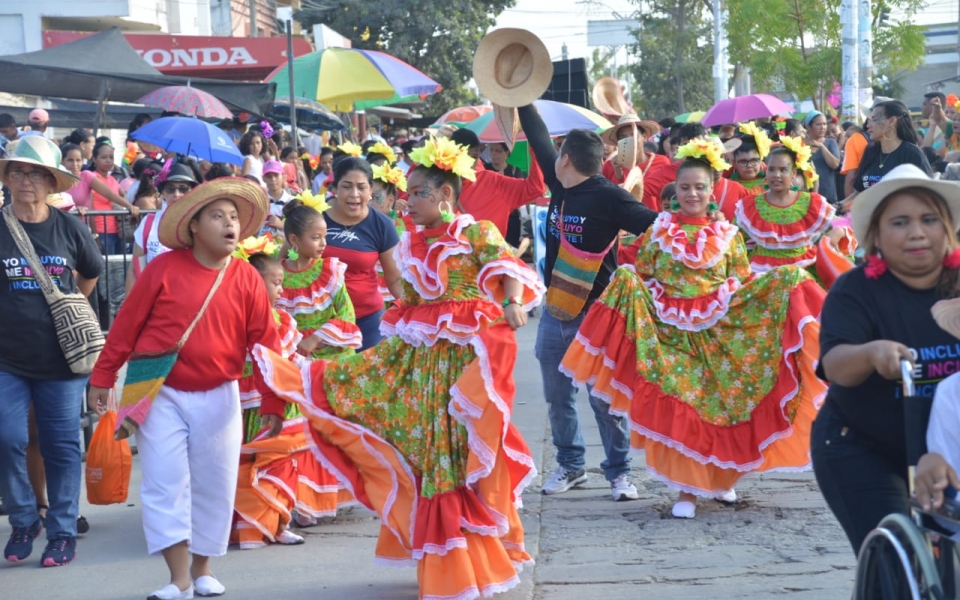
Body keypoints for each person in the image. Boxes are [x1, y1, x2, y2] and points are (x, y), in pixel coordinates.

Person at [253, 135, 545, 600]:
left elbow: (504, 266)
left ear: (445, 194)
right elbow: (406, 298)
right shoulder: (412, 241)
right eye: (407, 192)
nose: (408, 199)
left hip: (465, 364)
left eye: (418, 192)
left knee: (458, 454)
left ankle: (470, 555)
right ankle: (446, 556)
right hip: (422, 364)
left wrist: (511, 301)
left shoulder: (475, 232)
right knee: (428, 452)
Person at [561, 139, 826, 519]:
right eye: (684, 187)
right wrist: (631, 284)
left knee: (723, 407)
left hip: (720, 334)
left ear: (713, 187)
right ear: (675, 191)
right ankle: (686, 491)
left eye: (700, 187)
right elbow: (645, 274)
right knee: (684, 411)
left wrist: (780, 285)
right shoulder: (657, 233)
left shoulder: (729, 237)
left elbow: (742, 281)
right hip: (671, 337)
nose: (692, 194)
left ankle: (720, 481)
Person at [88, 177, 282, 600]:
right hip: (161, 394)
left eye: (234, 217)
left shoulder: (247, 278)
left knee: (216, 483)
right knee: (164, 481)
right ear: (193, 226)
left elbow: (266, 344)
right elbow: (124, 328)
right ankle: (178, 579)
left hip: (222, 395)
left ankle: (204, 569)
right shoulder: (162, 269)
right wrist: (102, 377)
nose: (230, 225)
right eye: (218, 216)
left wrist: (273, 398)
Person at [812, 163, 960, 555]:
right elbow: (836, 365)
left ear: (947, 227)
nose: (916, 232)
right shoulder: (855, 291)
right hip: (862, 446)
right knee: (900, 555)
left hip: (950, 445)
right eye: (900, 223)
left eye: (929, 219)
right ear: (876, 235)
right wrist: (872, 353)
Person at [516, 102, 658, 500]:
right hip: (554, 313)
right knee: (558, 398)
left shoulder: (611, 197)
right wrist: (520, 95)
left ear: (565, 160)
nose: (552, 155)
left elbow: (656, 227)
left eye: (557, 153)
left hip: (597, 317)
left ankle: (619, 474)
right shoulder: (561, 183)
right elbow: (537, 133)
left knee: (604, 400)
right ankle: (571, 465)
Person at [0, 136, 102, 567]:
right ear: (7, 179)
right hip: (7, 359)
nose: (26, 180)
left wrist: (68, 311)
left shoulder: (68, 227)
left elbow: (92, 274)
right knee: (8, 439)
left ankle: (61, 532)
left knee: (61, 446)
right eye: (19, 172)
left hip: (63, 361)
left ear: (51, 182)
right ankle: (25, 518)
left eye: (37, 173)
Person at [735, 139, 854, 286]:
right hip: (765, 279)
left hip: (804, 275)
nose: (776, 175)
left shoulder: (810, 202)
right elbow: (735, 240)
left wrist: (840, 230)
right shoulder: (751, 206)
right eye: (771, 169)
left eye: (783, 170)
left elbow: (844, 222)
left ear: (793, 174)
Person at [322, 156, 403, 350]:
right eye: (347, 186)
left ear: (371, 191)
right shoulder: (316, 215)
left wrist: (414, 311)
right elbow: (287, 259)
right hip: (318, 321)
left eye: (361, 187)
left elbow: (395, 280)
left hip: (366, 323)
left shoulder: (382, 225)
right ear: (335, 188)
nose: (354, 194)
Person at [448, 127, 546, 238]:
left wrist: (535, 143)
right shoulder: (439, 182)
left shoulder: (493, 182)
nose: (469, 162)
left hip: (491, 253)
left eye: (474, 157)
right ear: (451, 155)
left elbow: (535, 188)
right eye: (464, 156)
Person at [844, 100, 932, 211]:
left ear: (891, 121)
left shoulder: (912, 153)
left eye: (874, 120)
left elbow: (928, 194)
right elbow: (858, 194)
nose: (868, 125)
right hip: (872, 223)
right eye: (869, 120)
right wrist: (836, 207)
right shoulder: (870, 151)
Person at [125, 163, 199, 295]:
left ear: (192, 192)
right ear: (163, 193)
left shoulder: (200, 225)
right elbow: (135, 268)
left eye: (183, 189)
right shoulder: (149, 223)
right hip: (154, 299)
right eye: (170, 189)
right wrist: (131, 308)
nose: (177, 194)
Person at [71, 141, 140, 254]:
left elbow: (121, 195)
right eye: (103, 157)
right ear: (94, 159)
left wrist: (127, 205)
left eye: (111, 157)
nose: (108, 160)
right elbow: (93, 205)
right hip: (101, 229)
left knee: (119, 268)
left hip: (117, 230)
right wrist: (95, 235)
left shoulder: (112, 179)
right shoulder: (92, 177)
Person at [600, 114, 669, 211]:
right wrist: (618, 173)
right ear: (618, 142)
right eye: (623, 137)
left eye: (633, 135)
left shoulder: (662, 162)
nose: (629, 141)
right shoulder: (610, 165)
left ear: (644, 137)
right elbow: (606, 199)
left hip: (654, 223)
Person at [804, 111, 842, 205]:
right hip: (807, 194)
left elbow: (835, 165)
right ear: (809, 127)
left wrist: (821, 146)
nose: (823, 127)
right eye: (818, 124)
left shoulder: (830, 143)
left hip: (828, 196)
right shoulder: (801, 145)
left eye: (824, 124)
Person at [730, 122, 773, 196]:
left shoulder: (771, 183)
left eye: (754, 160)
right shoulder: (728, 186)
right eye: (743, 161)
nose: (749, 165)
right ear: (734, 163)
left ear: (760, 160)